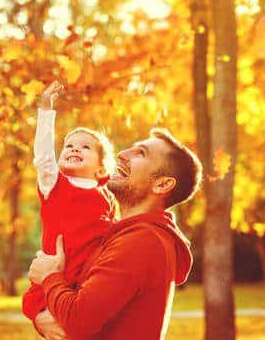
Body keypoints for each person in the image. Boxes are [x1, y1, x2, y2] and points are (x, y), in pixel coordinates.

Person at [28, 128, 202, 339]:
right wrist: (39, 313)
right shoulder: (117, 234)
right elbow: (68, 314)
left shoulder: (141, 243)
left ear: (162, 184)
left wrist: (49, 277)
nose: (123, 154)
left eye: (140, 153)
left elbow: (77, 320)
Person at [22, 81, 119, 322]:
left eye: (85, 147)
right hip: (56, 279)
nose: (75, 149)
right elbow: (44, 157)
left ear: (100, 168)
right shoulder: (53, 185)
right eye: (69, 146)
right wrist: (46, 110)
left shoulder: (107, 194)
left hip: (88, 283)